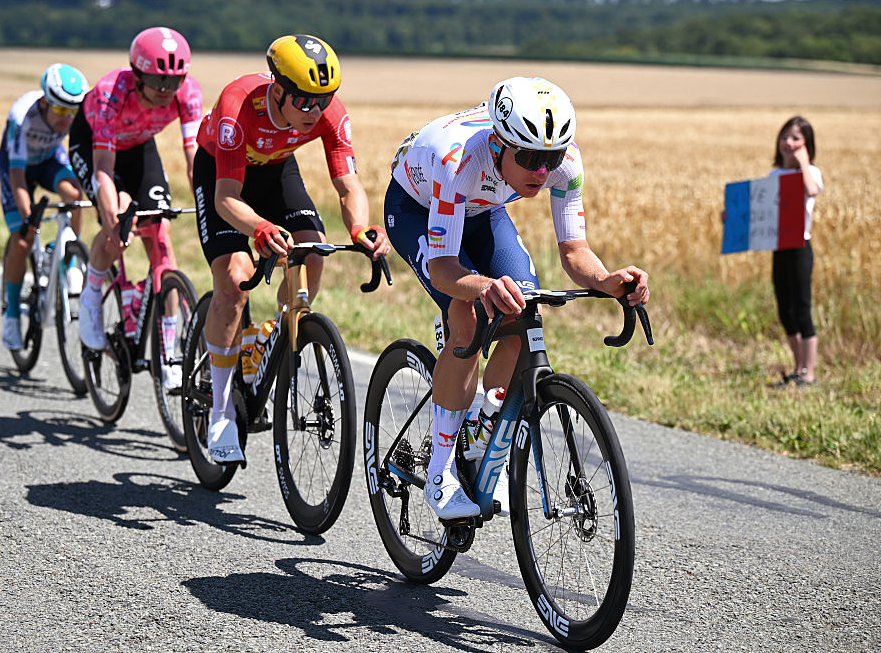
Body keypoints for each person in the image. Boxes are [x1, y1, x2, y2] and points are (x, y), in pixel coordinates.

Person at [384, 76, 650, 520]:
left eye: (551, 158)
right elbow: (443, 267)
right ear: (498, 144)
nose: (542, 173)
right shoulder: (461, 161)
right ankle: (441, 471)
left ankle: (483, 426)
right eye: (529, 159)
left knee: (522, 313)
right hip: (418, 206)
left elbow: (574, 251)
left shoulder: (565, 163)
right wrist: (482, 286)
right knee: (466, 319)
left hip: (482, 208)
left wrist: (607, 280)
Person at [193, 33, 390, 463]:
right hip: (223, 174)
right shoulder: (237, 106)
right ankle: (222, 410)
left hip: (276, 169)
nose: (315, 111)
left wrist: (359, 227)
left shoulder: (326, 112)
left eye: (325, 100)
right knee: (234, 280)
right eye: (305, 102)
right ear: (278, 90)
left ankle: (276, 334)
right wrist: (261, 227)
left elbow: (347, 183)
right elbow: (226, 197)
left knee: (314, 249)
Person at [70, 26, 204, 389]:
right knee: (116, 229)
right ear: (138, 74)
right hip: (95, 147)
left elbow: (194, 160)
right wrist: (112, 216)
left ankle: (171, 356)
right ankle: (92, 296)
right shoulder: (110, 94)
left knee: (161, 236)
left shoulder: (187, 93)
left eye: (172, 82)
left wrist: (207, 205)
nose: (165, 91)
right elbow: (102, 169)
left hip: (140, 148)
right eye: (157, 83)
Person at [0, 63, 90, 350]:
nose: (66, 120)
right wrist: (28, 220)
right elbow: (16, 177)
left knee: (75, 197)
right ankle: (12, 315)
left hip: (49, 160)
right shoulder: (22, 116)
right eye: (60, 111)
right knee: (23, 240)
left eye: (71, 112)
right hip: (18, 168)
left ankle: (70, 259)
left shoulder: (73, 116)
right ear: (44, 102)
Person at [769, 116, 822, 387]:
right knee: (785, 310)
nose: (789, 143)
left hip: (800, 248)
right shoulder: (774, 175)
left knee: (802, 308)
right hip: (779, 248)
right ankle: (798, 367)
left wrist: (802, 164)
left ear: (807, 144)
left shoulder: (812, 173)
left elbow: (812, 191)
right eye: (785, 137)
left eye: (796, 138)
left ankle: (808, 373)